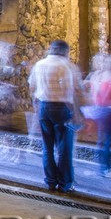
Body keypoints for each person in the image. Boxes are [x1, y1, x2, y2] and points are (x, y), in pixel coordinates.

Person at [28, 39, 85, 192]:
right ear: (66, 51)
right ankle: (65, 183)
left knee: (47, 147)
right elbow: (72, 90)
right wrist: (76, 112)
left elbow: (32, 87)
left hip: (44, 107)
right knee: (64, 148)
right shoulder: (66, 66)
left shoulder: (39, 64)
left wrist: (36, 108)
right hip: (62, 108)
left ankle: (50, 181)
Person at [84, 52, 111, 174]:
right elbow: (105, 96)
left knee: (104, 139)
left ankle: (104, 165)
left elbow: (93, 93)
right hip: (109, 111)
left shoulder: (97, 76)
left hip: (102, 110)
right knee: (108, 140)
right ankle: (105, 167)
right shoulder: (109, 78)